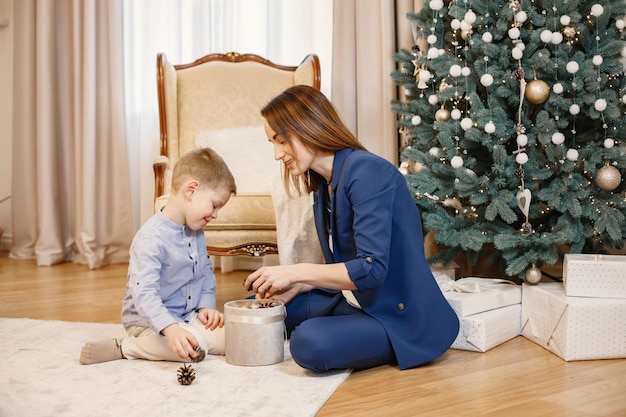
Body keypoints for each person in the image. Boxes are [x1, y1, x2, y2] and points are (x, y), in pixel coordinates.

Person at [243, 85, 460, 372]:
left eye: (281, 141)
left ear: (307, 128)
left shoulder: (367, 172)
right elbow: (345, 263)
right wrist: (298, 285)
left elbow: (370, 268)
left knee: (307, 343)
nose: (277, 155)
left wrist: (293, 270)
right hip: (353, 300)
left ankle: (362, 337)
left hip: (397, 315)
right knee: (256, 310)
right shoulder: (324, 184)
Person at [80, 148, 236, 365]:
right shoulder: (150, 239)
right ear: (191, 190)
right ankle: (126, 347)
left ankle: (190, 336)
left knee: (235, 340)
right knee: (193, 348)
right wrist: (170, 329)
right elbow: (144, 293)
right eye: (215, 205)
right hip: (148, 322)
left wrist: (206, 306)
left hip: (187, 316)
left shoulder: (196, 230)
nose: (215, 215)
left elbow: (205, 272)